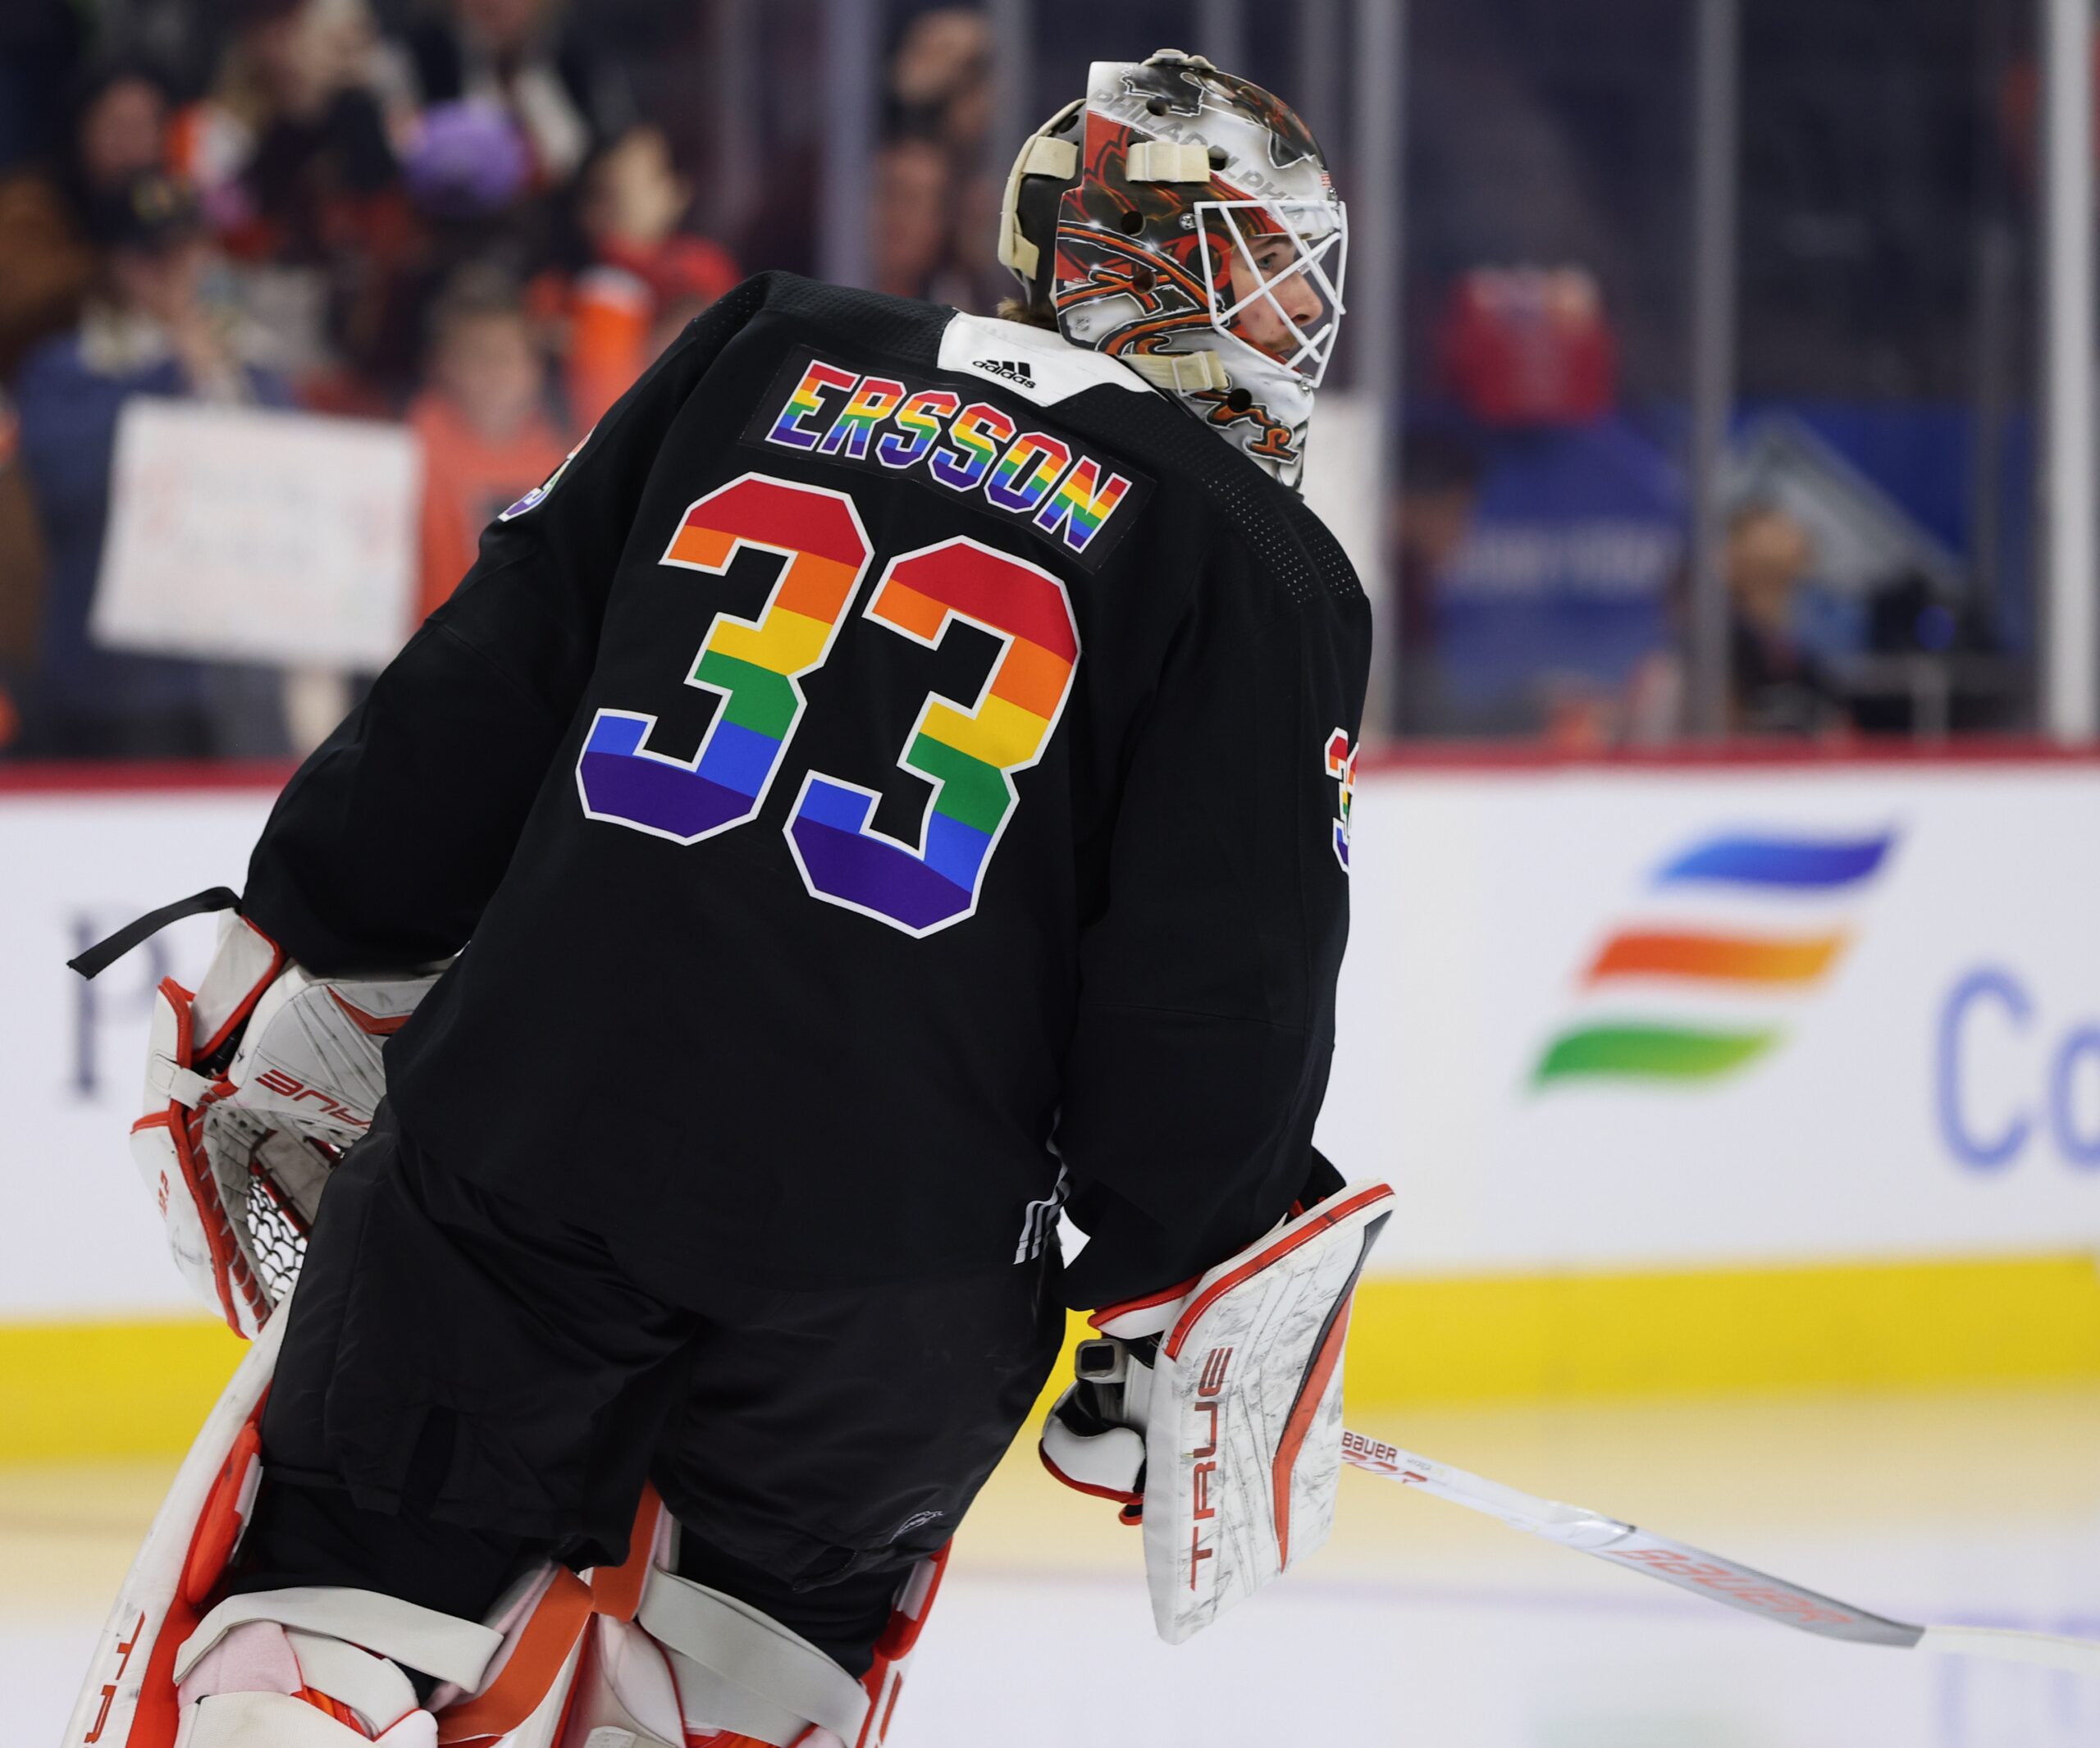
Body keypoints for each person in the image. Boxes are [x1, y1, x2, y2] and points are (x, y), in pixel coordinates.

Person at [72, 51, 1372, 1747]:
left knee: (341, 1599)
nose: (1290, 321)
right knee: (740, 1677)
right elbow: (1217, 989)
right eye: (1259, 268)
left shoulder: (768, 344)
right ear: (1126, 257)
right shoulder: (1258, 565)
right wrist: (1168, 1284)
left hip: (541, 1120)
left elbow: (490, 674)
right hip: (898, 1252)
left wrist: (321, 931)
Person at [13, 170, 291, 758]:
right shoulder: (65, 368)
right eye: (153, 257)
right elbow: (65, 483)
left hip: (243, 679)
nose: (178, 270)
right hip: (121, 687)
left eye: (191, 250)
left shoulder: (253, 369)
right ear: (115, 267)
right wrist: (167, 373)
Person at [405, 266, 566, 621]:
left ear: (534, 367)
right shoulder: (401, 450)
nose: (494, 371)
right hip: (409, 657)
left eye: (506, 356)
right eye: (476, 355)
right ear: (442, 365)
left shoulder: (567, 465)